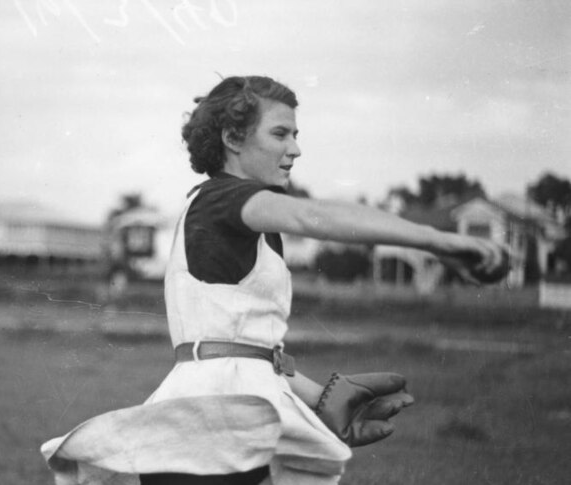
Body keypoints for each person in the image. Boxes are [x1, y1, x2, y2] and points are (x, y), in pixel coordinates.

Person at [41, 76, 507, 485]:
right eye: (281, 133)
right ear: (233, 138)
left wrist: (320, 399)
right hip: (213, 413)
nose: (296, 148)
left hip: (231, 404)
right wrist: (437, 241)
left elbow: (244, 341)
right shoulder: (226, 199)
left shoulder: (245, 219)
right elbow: (314, 214)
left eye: (296, 134)